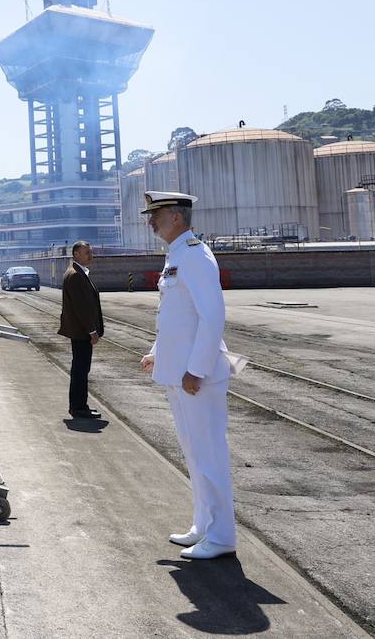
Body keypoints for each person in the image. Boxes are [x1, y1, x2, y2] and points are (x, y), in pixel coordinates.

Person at [139, 191, 237, 560]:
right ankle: (203, 524)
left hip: (198, 376)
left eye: (156, 215)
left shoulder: (195, 255)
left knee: (209, 454)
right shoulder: (177, 254)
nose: (151, 221)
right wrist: (157, 352)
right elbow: (177, 318)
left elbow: (212, 317)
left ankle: (222, 535)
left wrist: (195, 369)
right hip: (180, 372)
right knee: (194, 454)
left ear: (176, 218)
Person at [57, 240, 103, 419]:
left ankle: (79, 405)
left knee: (81, 369)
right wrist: (91, 330)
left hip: (80, 331)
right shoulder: (75, 275)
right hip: (81, 332)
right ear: (76, 254)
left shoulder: (78, 273)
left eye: (91, 252)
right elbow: (81, 307)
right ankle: (78, 407)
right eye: (87, 252)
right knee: (80, 370)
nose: (90, 255)